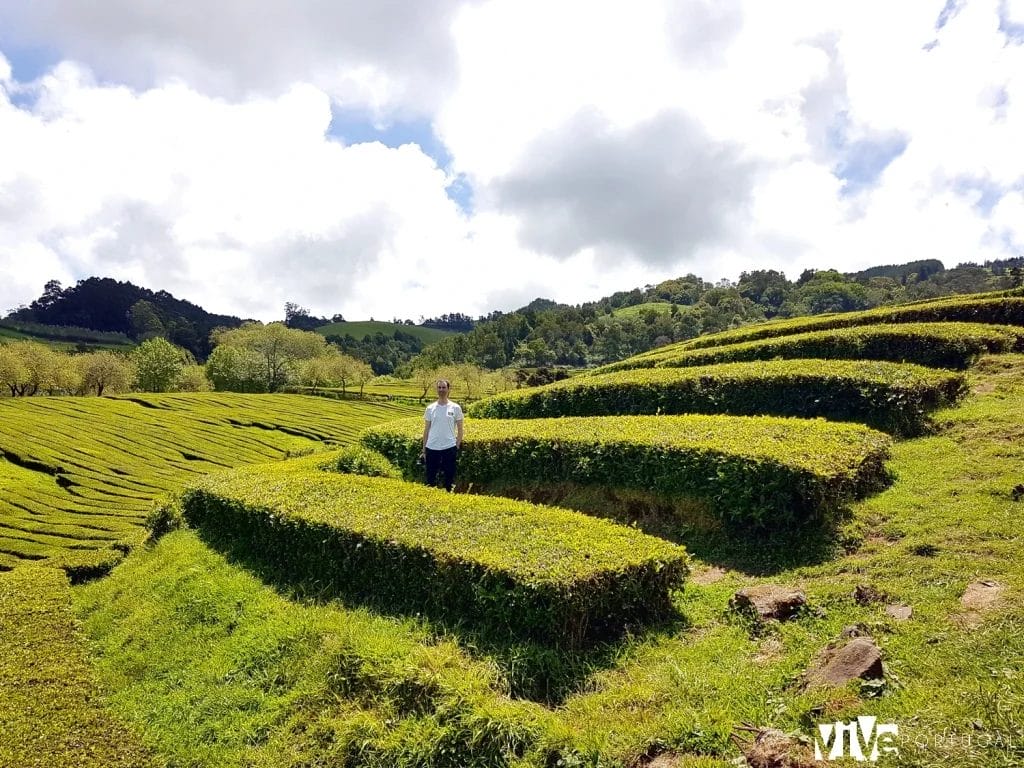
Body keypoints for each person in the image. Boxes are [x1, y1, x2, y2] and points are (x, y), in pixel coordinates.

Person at [420, 379, 464, 492]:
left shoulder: (455, 407)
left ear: (448, 389)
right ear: (437, 390)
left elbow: (460, 429)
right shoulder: (430, 408)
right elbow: (426, 430)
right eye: (439, 387)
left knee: (449, 479)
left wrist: (456, 446)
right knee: (430, 479)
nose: (441, 390)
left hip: (449, 448)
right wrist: (424, 450)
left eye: (444, 387)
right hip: (432, 447)